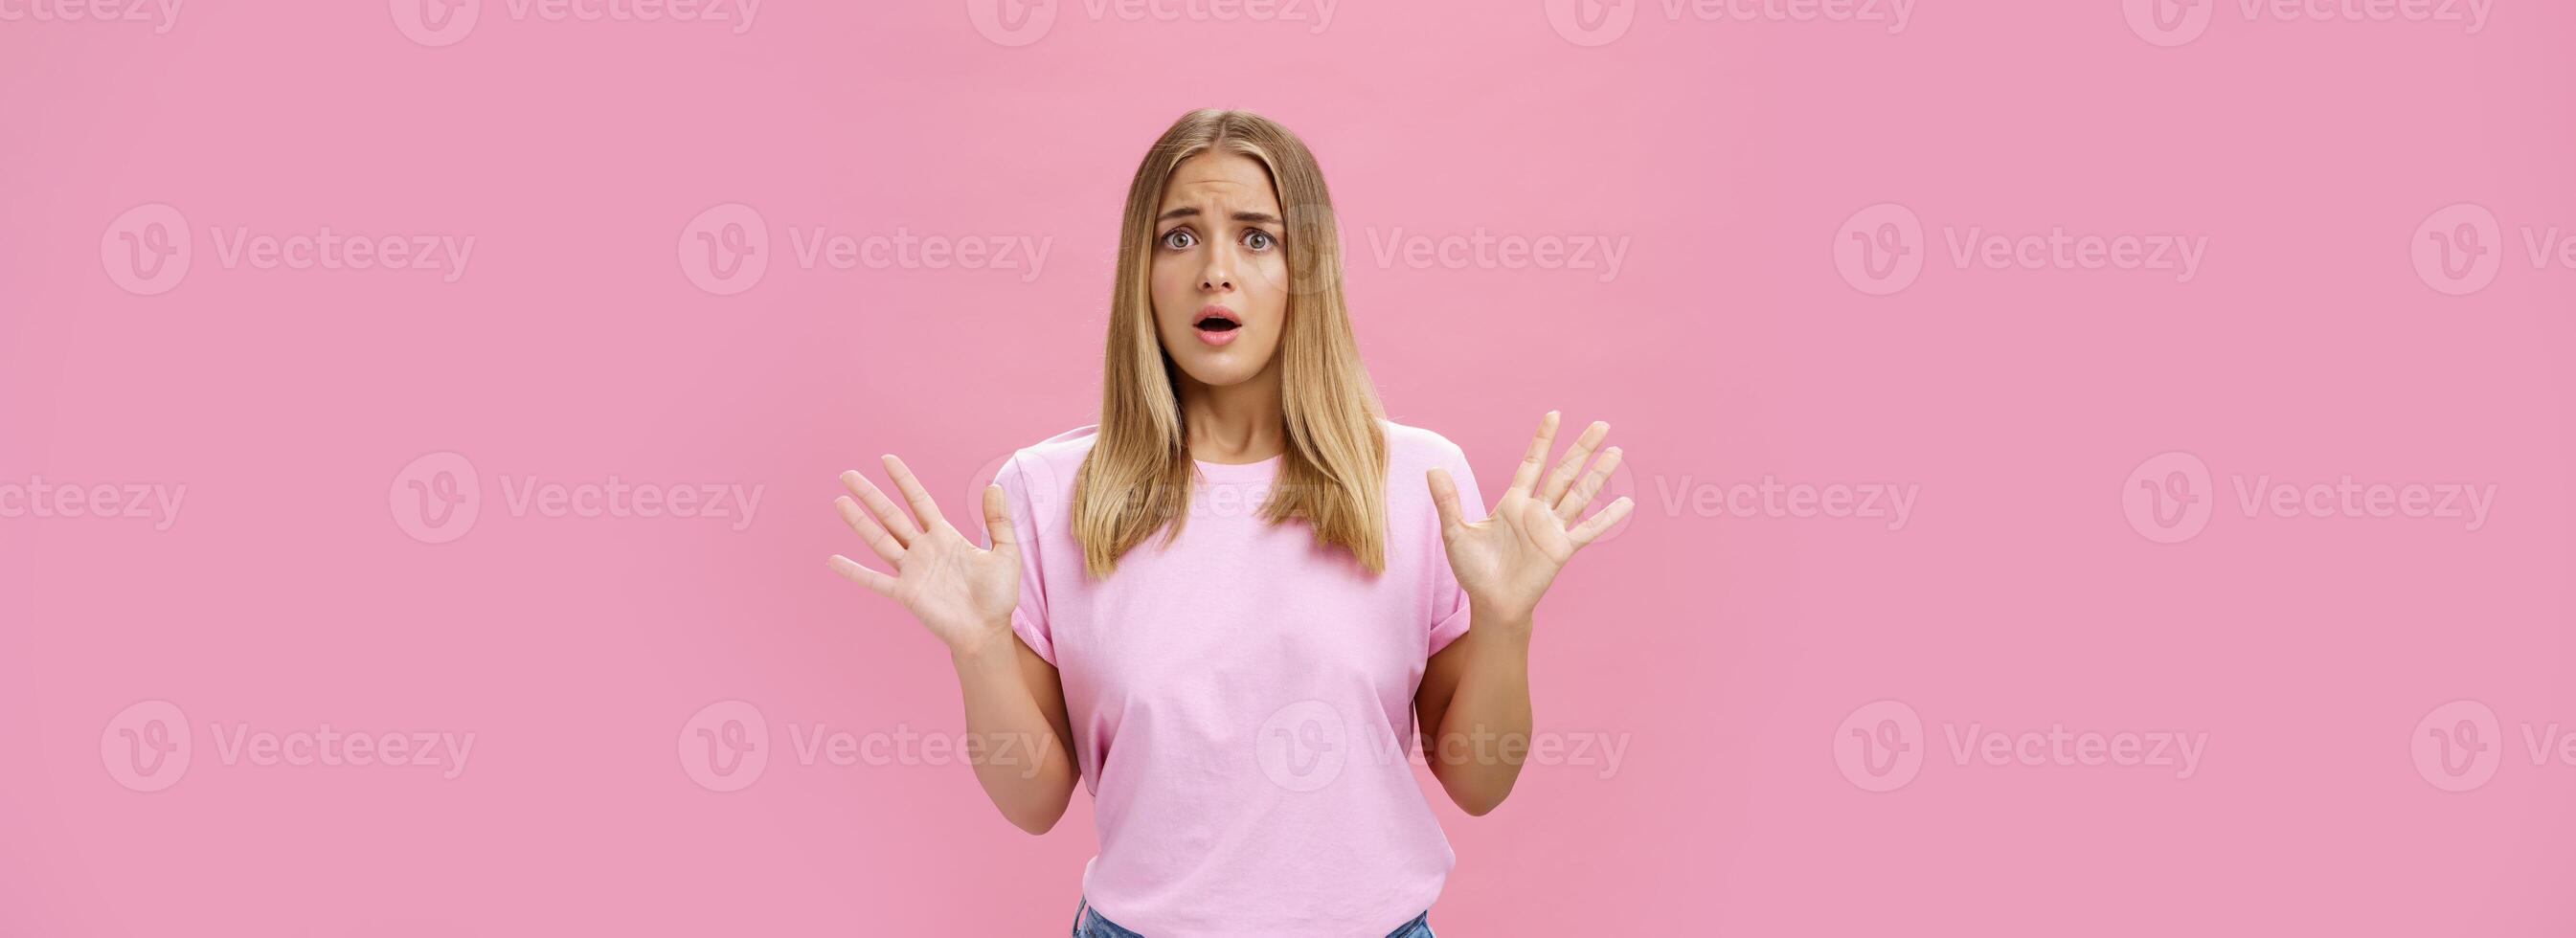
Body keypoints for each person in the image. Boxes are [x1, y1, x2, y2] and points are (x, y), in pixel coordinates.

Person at [827, 108, 1631, 938]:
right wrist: (979, 648)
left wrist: (1506, 622)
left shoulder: (1415, 481)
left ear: (1306, 268)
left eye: (1257, 238)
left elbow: (1479, 783)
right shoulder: (1047, 490)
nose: (1216, 270)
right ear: (1143, 271)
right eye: (1179, 237)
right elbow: (1033, 804)